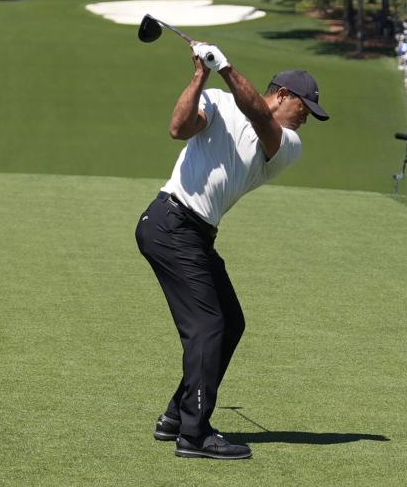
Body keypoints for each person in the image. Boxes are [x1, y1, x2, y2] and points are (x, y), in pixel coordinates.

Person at [135, 43, 329, 460]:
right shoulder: (219, 102)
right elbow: (179, 128)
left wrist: (224, 66)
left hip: (196, 234)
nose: (306, 118)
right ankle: (194, 434)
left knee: (230, 322)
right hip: (170, 223)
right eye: (305, 108)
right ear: (282, 95)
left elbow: (258, 116)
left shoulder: (287, 143)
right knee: (207, 326)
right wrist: (200, 76)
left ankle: (178, 416)